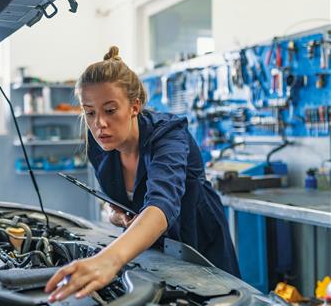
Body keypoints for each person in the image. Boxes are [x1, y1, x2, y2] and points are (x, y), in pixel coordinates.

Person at [44, 46, 240, 302]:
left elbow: (162, 203)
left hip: (198, 246)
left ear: (134, 106)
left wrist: (107, 260)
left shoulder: (168, 135)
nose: (99, 124)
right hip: (148, 249)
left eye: (110, 110)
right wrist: (112, 212)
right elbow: (111, 198)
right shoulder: (100, 145)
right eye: (90, 112)